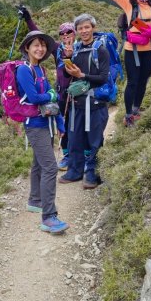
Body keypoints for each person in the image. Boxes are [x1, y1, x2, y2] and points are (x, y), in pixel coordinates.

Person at [79, 0, 151, 127]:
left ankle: (136, 111)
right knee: (132, 82)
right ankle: (128, 115)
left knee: (143, 81)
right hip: (132, 49)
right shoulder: (128, 1)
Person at [16, 30, 69, 234]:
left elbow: (50, 99)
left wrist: (61, 125)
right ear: (27, 48)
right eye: (35, 45)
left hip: (47, 124)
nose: (40, 48)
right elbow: (36, 98)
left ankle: (35, 200)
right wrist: (50, 93)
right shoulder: (24, 70)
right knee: (50, 168)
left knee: (39, 163)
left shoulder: (41, 70)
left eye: (43, 45)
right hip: (35, 125)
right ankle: (48, 217)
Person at [18, 6, 75, 170]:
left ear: (74, 33)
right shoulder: (58, 49)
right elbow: (38, 36)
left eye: (69, 32)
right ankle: (66, 155)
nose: (66, 36)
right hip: (61, 94)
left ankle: (81, 155)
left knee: (76, 125)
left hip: (78, 94)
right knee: (63, 122)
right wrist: (28, 19)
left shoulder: (80, 49)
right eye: (63, 34)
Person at [59, 14, 110, 189]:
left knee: (94, 140)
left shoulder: (101, 50)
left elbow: (103, 77)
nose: (84, 31)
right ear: (77, 31)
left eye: (87, 27)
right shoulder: (76, 49)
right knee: (74, 139)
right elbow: (67, 75)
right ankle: (74, 171)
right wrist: (68, 61)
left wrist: (82, 75)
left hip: (95, 104)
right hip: (77, 103)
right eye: (80, 28)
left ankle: (92, 174)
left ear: (93, 28)